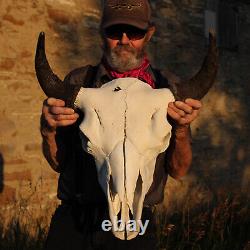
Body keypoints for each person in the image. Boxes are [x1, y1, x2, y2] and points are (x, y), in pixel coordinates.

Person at [40, 0, 202, 249]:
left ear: (149, 33)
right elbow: (58, 163)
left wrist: (179, 129)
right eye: (114, 32)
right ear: (101, 33)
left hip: (138, 220)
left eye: (134, 32)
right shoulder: (78, 81)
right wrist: (49, 131)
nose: (124, 40)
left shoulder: (168, 88)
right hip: (75, 219)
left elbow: (179, 171)